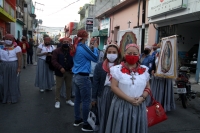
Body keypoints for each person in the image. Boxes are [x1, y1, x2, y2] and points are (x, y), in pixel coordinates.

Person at [105, 43, 150, 133]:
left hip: (138, 106)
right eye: (129, 53)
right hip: (121, 105)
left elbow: (148, 87)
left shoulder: (144, 70)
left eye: (135, 54)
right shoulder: (117, 69)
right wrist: (129, 99)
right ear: (125, 54)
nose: (132, 56)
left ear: (139, 55)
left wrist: (142, 97)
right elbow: (114, 87)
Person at [72, 30, 98, 132]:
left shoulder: (76, 46)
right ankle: (86, 124)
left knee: (78, 100)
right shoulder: (83, 47)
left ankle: (77, 119)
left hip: (76, 76)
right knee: (86, 101)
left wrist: (90, 48)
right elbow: (95, 58)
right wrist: (95, 48)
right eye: (87, 37)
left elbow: (85, 55)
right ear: (85, 37)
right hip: (83, 77)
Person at [91, 43, 121, 133]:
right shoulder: (99, 66)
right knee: (104, 114)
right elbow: (95, 82)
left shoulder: (121, 66)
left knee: (115, 115)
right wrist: (94, 98)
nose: (112, 54)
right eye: (109, 52)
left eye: (114, 52)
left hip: (118, 93)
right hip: (103, 93)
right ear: (106, 53)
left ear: (118, 53)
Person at [52, 37, 74, 108]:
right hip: (59, 72)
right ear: (62, 43)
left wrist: (73, 67)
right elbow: (54, 61)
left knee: (69, 87)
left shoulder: (72, 51)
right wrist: (60, 67)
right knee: (58, 87)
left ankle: (68, 99)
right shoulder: (56, 51)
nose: (66, 43)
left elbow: (75, 60)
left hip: (69, 72)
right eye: (64, 42)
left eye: (67, 42)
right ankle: (57, 101)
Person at [0, 34, 22, 103]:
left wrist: (19, 67)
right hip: (3, 66)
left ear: (13, 40)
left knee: (13, 82)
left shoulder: (17, 48)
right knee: (2, 82)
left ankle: (12, 98)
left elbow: (19, 58)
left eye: (10, 39)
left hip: (13, 65)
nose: (8, 41)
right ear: (4, 39)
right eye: (7, 39)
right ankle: (4, 97)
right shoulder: (1, 47)